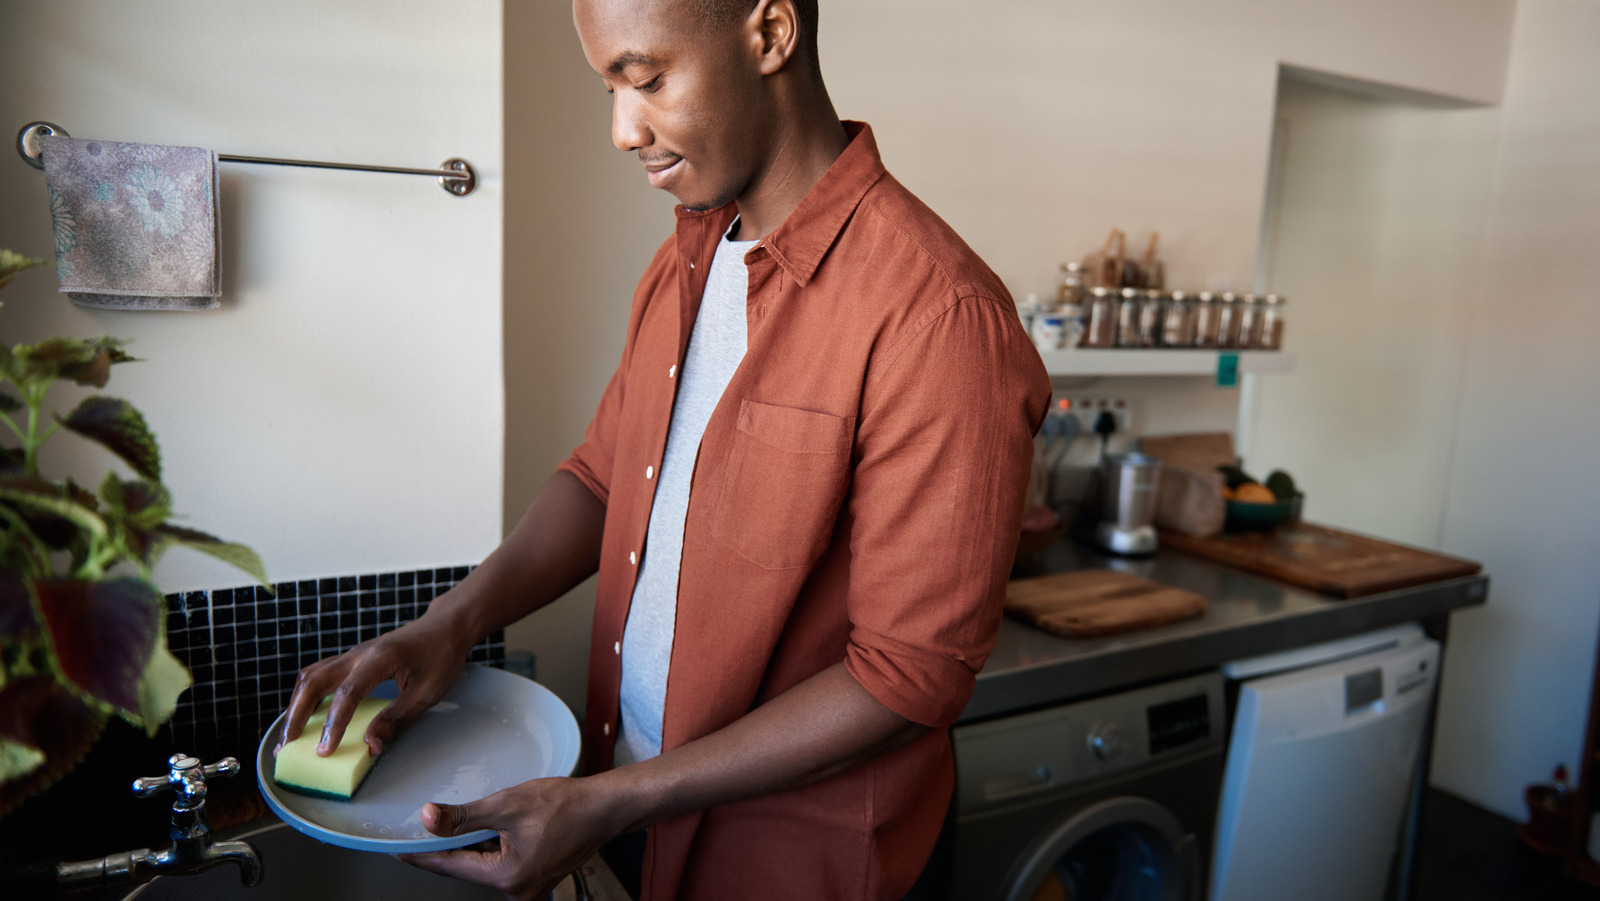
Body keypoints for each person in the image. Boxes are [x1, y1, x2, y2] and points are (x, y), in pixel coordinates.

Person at [280, 0, 1050, 898]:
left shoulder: (941, 318)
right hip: (636, 802)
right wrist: (451, 624)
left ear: (769, 33)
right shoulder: (686, 257)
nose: (621, 129)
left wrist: (613, 801)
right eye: (609, 86)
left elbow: (906, 677)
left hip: (798, 862)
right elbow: (604, 478)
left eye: (645, 80)